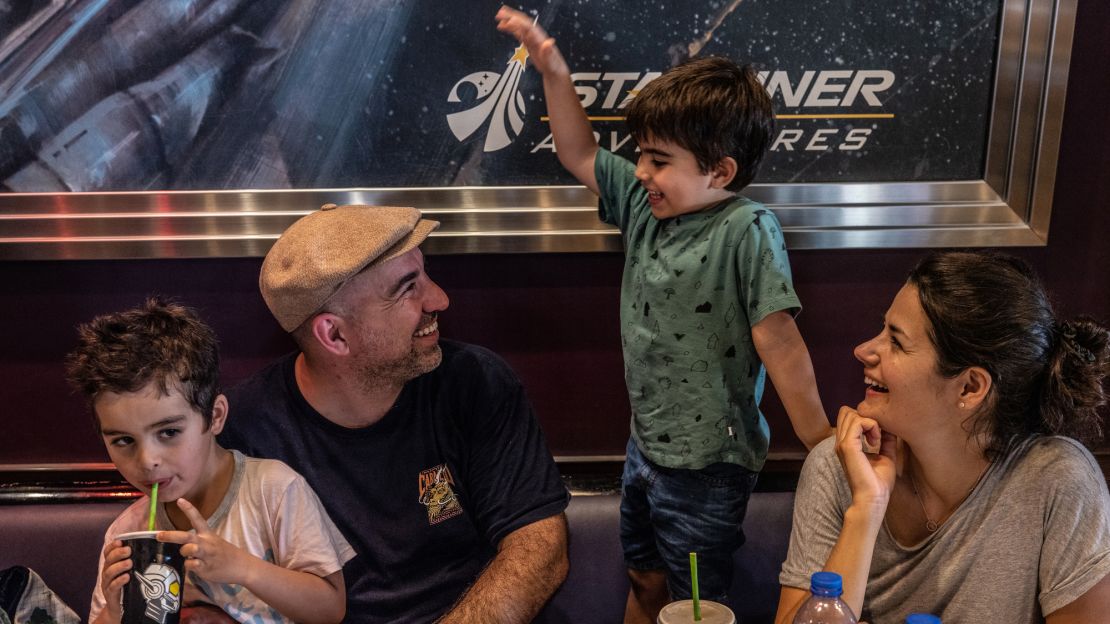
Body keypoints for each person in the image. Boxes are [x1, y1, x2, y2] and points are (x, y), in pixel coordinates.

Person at [496, 7, 831, 622]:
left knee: (695, 606)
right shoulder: (646, 205)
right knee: (643, 578)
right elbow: (578, 153)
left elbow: (778, 340)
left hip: (710, 467)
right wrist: (552, 68)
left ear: (720, 171)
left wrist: (821, 444)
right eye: (641, 156)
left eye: (659, 160)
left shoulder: (747, 228)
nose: (642, 171)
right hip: (643, 451)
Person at [217, 203, 571, 623]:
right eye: (407, 288)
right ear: (334, 334)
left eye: (425, 276)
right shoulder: (245, 429)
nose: (439, 299)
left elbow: (540, 546)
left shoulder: (475, 381)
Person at [776, 251, 1110, 623]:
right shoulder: (837, 465)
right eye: (881, 329)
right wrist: (867, 508)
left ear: (969, 387)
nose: (863, 350)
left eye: (897, 342)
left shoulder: (1057, 480)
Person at [65, 298, 354, 624]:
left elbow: (330, 609)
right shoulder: (126, 533)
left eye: (169, 432)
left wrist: (242, 567)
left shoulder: (273, 490)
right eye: (123, 441)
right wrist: (115, 612)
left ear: (214, 416)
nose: (147, 461)